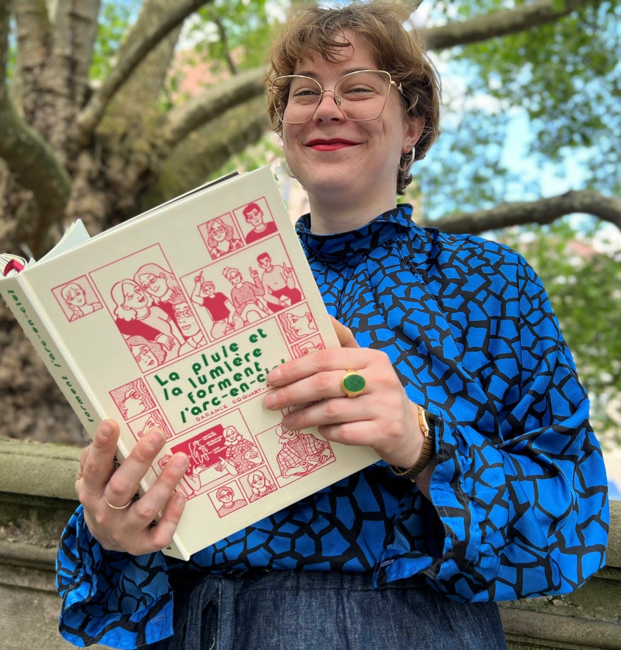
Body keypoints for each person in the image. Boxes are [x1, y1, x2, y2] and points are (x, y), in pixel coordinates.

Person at [57, 2, 608, 649]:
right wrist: (114, 524)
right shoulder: (195, 281)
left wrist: (421, 442)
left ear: (413, 125)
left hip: (405, 628)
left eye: (359, 88)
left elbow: (574, 520)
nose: (326, 107)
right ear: (283, 126)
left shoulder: (491, 281)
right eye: (304, 92)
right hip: (196, 625)